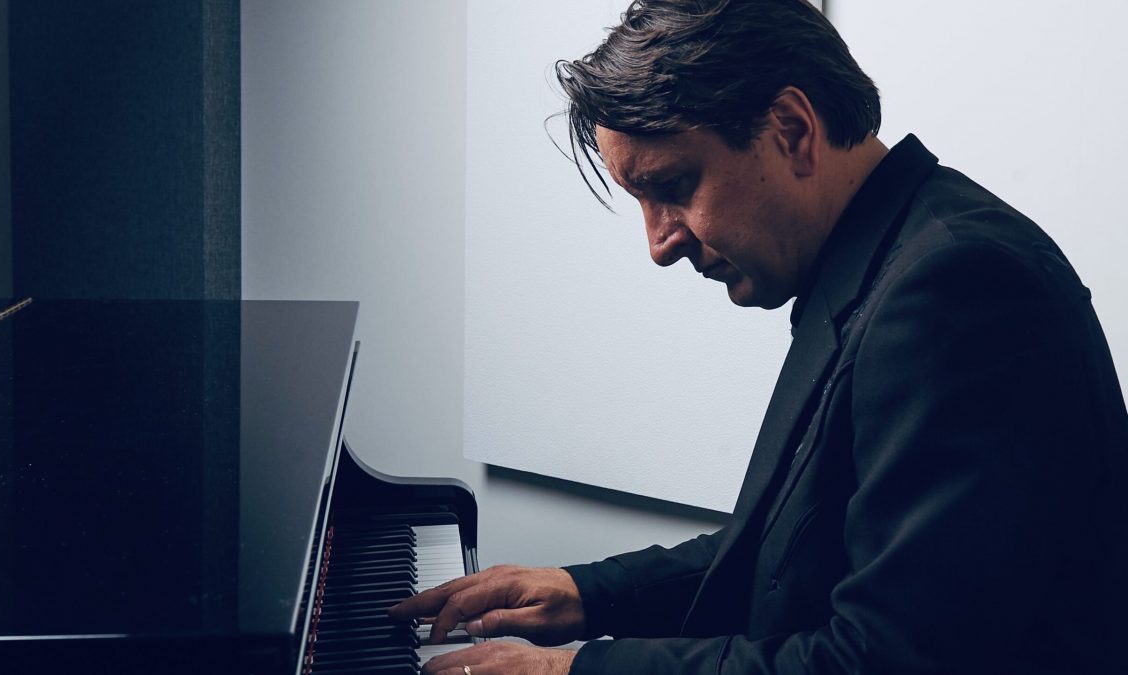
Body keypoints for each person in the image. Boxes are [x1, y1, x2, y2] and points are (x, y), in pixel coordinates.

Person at [390, 0, 1128, 672]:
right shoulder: (878, 259)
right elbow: (786, 554)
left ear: (792, 131)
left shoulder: (958, 291)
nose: (658, 244)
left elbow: (881, 659)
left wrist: (572, 668)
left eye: (674, 186)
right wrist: (587, 592)